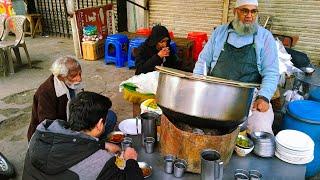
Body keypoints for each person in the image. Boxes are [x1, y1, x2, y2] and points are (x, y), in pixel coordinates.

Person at [193, 0, 279, 134]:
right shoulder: (220, 32)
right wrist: (197, 85)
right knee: (200, 127)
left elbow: (271, 72)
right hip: (215, 93)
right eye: (244, 10)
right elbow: (203, 61)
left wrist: (264, 97)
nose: (249, 15)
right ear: (235, 11)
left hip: (250, 98)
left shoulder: (265, 37)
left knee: (261, 131)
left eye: (253, 11)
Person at [22, 91, 144, 180]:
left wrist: (102, 144)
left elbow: (73, 144)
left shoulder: (39, 134)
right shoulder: (101, 163)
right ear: (100, 124)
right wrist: (131, 160)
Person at [27, 56, 117, 141]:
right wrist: (76, 133)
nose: (79, 78)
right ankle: (91, 146)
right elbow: (49, 126)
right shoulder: (45, 92)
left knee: (109, 116)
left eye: (80, 73)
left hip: (74, 122)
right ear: (60, 77)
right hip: (56, 133)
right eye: (74, 76)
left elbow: (83, 106)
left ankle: (96, 143)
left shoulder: (73, 83)